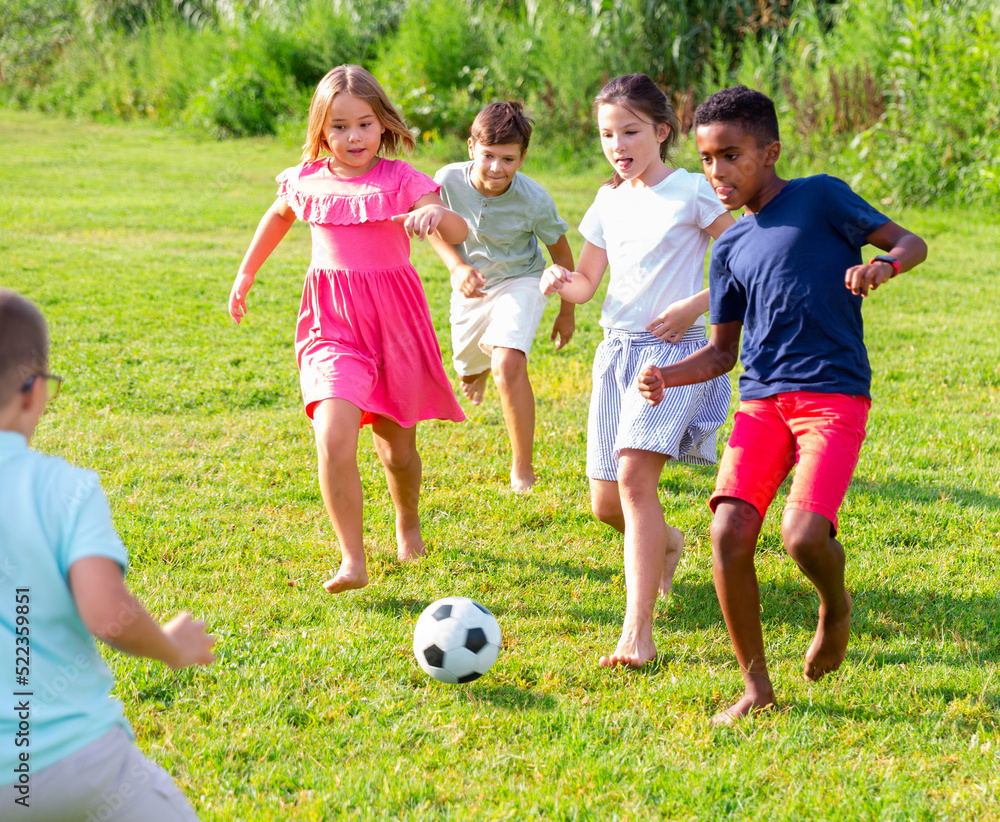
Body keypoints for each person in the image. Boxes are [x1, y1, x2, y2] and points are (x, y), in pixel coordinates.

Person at [638, 85, 928, 724]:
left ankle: (835, 604)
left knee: (801, 535)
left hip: (832, 397)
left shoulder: (821, 196)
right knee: (728, 531)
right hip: (763, 400)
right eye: (707, 158)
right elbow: (721, 356)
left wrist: (884, 266)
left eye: (730, 156)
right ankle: (757, 688)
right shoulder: (730, 249)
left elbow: (911, 241)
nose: (716, 172)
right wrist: (668, 376)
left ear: (770, 152)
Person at [228, 65, 468, 594]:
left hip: (395, 326)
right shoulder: (306, 178)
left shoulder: (403, 180)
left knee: (397, 450)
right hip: (331, 325)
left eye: (364, 123)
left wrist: (436, 220)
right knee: (333, 435)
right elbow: (279, 217)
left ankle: (407, 521)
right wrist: (246, 272)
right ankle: (352, 559)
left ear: (383, 124)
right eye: (339, 126)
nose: (353, 137)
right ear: (321, 130)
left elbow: (455, 225)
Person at [0, 289, 217, 820]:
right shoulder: (65, 488)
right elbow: (106, 614)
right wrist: (169, 646)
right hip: (77, 763)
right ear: (33, 392)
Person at [540, 74, 734, 668]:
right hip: (616, 355)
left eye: (629, 131)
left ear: (661, 132)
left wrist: (694, 305)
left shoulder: (691, 192)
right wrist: (560, 284)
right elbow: (588, 282)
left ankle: (637, 634)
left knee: (633, 482)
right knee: (606, 504)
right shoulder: (607, 201)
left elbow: (742, 259)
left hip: (674, 355)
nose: (617, 144)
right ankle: (669, 544)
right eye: (606, 134)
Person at [430, 101, 577, 492]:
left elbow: (561, 256)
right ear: (471, 148)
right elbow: (430, 226)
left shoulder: (535, 199)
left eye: (508, 159)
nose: (497, 168)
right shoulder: (446, 181)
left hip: (521, 281)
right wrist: (456, 268)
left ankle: (522, 468)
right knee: (466, 367)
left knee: (508, 363)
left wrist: (568, 312)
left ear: (523, 157)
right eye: (489, 156)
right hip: (471, 287)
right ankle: (473, 371)